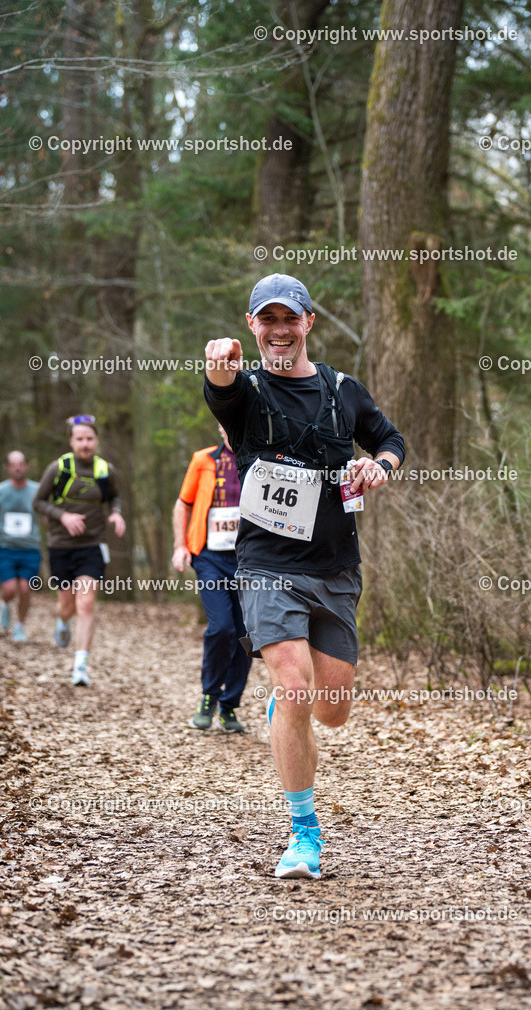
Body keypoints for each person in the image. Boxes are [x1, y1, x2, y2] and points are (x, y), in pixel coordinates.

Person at [203, 273, 405, 879]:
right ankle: (304, 834)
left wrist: (380, 466)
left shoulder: (343, 390)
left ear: (308, 323)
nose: (279, 331)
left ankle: (286, 715)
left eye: (289, 319)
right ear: (252, 328)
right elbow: (220, 388)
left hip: (335, 568)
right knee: (294, 689)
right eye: (267, 321)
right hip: (266, 565)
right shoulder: (247, 391)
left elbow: (389, 438)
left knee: (332, 709)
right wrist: (218, 364)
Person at [33, 415, 125, 686]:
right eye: (80, 439)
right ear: (72, 441)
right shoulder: (58, 468)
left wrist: (117, 514)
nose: (85, 444)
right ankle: (62, 624)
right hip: (60, 546)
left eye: (89, 438)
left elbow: (114, 498)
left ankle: (80, 666)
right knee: (67, 605)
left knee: (85, 603)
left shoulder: (105, 469)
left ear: (96, 441)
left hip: (92, 545)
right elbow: (38, 502)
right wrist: (63, 516)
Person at [172, 424, 251, 733]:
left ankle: (229, 706)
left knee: (247, 635)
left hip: (249, 562)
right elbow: (183, 503)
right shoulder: (203, 459)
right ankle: (209, 696)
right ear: (221, 426)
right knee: (221, 627)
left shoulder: (258, 459)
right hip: (209, 558)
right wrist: (181, 546)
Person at [0, 451, 42, 642]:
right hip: (6, 548)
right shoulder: (1, 491)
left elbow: (47, 512)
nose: (17, 467)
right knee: (9, 589)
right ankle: (5, 605)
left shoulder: (37, 490)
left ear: (26, 466)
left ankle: (19, 627)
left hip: (30, 549)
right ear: (8, 467)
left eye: (21, 464)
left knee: (25, 589)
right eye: (13, 464)